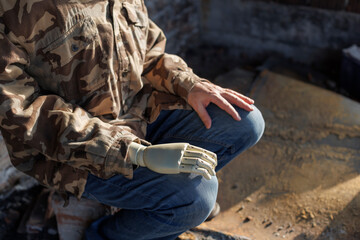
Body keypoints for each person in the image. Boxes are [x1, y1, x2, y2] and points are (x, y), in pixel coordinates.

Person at [0, 1, 264, 239]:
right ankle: (105, 233)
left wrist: (190, 85)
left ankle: (155, 209)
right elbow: (26, 114)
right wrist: (136, 154)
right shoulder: (13, 11)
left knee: (244, 121)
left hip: (138, 114)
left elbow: (149, 53)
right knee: (195, 197)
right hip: (76, 153)